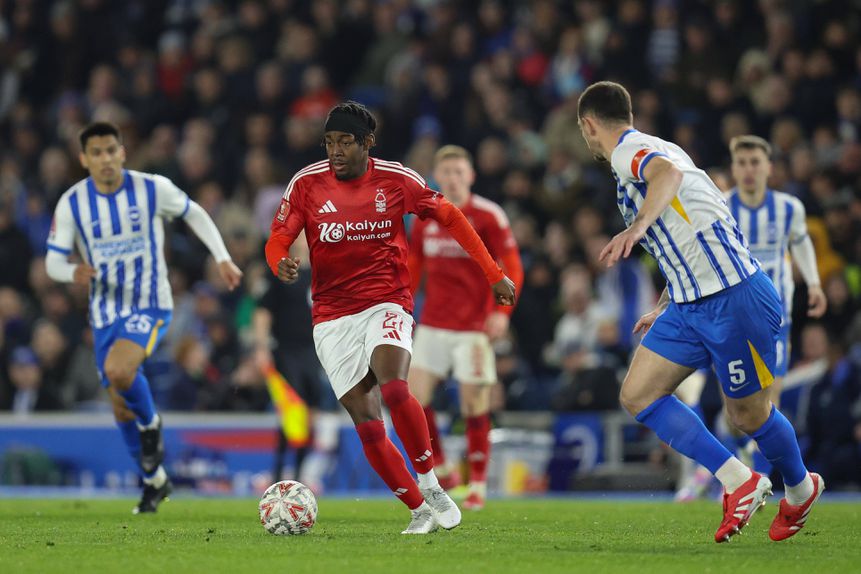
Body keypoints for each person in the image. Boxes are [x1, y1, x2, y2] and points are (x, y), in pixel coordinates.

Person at [577, 82, 823, 543]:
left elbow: (666, 176)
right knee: (638, 394)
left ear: (588, 125)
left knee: (748, 416)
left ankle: (802, 487)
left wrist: (636, 227)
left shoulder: (631, 153)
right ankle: (738, 480)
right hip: (690, 302)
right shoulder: (658, 148)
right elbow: (695, 228)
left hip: (734, 298)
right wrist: (665, 301)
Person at [265, 102, 516, 534]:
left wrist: (494, 274)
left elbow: (451, 216)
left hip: (387, 300)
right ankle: (419, 510)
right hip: (331, 316)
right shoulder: (306, 184)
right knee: (367, 423)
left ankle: (431, 483)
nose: (335, 151)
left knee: (396, 386)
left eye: (345, 142)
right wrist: (279, 262)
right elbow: (277, 239)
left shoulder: (398, 180)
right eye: (329, 142)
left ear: (367, 143)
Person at [45, 122, 242, 513]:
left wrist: (222, 256)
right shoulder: (72, 203)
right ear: (84, 159)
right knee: (120, 407)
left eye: (111, 150)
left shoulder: (152, 188)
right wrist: (72, 272)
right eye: (96, 153)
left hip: (150, 303)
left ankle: (151, 425)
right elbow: (52, 260)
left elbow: (194, 212)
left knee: (120, 371)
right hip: (104, 314)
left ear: (122, 152)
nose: (105, 159)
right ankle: (155, 481)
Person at [675, 135, 827, 500]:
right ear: (733, 168)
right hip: (729, 318)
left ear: (769, 167)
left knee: (767, 403)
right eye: (741, 163)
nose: (748, 170)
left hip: (775, 321)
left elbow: (801, 241)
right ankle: (733, 463)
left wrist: (814, 284)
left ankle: (751, 477)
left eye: (755, 162)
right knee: (736, 411)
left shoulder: (788, 208)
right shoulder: (721, 204)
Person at [407, 145, 523, 510]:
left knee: (474, 403)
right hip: (433, 322)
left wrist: (502, 312)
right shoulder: (426, 217)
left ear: (470, 176)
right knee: (413, 399)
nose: (454, 179)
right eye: (447, 172)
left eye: (459, 172)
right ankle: (443, 470)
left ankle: (477, 485)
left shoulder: (488, 216)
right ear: (437, 177)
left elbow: (512, 267)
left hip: (474, 325)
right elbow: (413, 265)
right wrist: (403, 306)